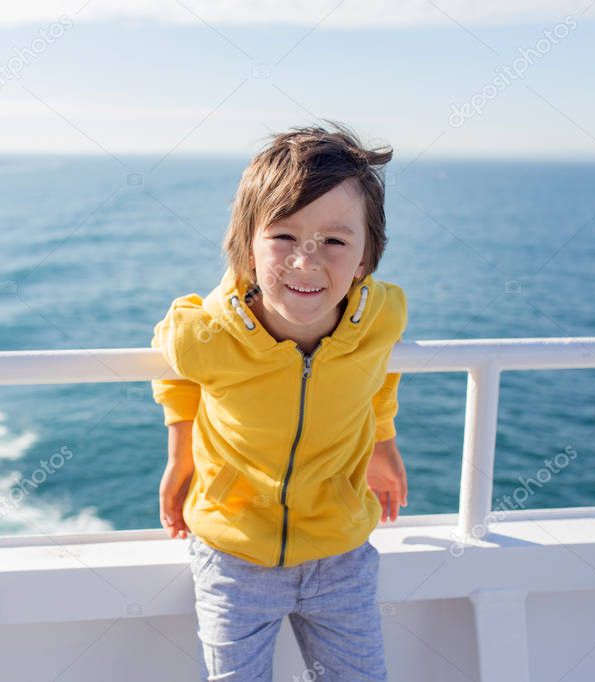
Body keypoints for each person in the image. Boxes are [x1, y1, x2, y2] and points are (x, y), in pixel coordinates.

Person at [151, 120, 408, 681]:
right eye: (284, 237)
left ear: (366, 258)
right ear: (247, 247)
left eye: (335, 241)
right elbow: (176, 365)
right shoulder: (210, 335)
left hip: (342, 551)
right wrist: (181, 454)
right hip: (233, 555)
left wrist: (383, 446)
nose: (305, 262)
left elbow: (379, 372)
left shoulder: (381, 315)